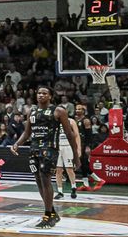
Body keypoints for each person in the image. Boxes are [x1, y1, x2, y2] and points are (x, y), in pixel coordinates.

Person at [10, 87, 81, 228]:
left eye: (44, 93)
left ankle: (48, 215)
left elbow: (69, 134)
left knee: (45, 178)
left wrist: (75, 156)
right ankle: (53, 213)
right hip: (34, 149)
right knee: (38, 181)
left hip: (50, 149)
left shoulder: (59, 111)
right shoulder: (32, 111)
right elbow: (27, 133)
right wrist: (17, 144)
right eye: (39, 93)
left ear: (50, 96)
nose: (41, 95)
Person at [53, 107, 81, 200]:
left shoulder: (71, 121)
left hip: (68, 146)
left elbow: (77, 135)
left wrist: (78, 149)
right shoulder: (55, 122)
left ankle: (73, 187)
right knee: (58, 170)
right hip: (58, 147)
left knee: (69, 169)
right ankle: (60, 191)